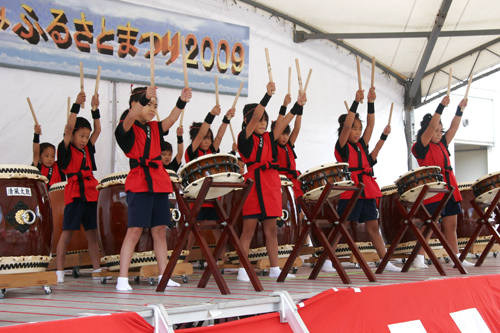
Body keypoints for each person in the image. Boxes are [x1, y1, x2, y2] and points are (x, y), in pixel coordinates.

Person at [114, 85, 192, 291]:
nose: (152, 108)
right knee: (134, 230)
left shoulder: (154, 128)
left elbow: (172, 119)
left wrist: (182, 100)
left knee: (159, 231)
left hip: (158, 181)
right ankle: (122, 278)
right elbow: (130, 117)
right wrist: (142, 98)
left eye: (154, 105)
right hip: (139, 181)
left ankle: (163, 275)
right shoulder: (126, 128)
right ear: (134, 104)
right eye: (148, 104)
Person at [236, 82, 306, 282]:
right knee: (248, 230)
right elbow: (256, 116)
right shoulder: (245, 137)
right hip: (253, 184)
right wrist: (267, 96)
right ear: (248, 121)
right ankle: (243, 269)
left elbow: (284, 123)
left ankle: (275, 267)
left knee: (272, 230)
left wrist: (298, 105)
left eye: (265, 121)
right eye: (259, 121)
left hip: (271, 184)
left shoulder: (269, 137)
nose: (263, 123)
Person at [334, 88, 401, 273]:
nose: (357, 132)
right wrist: (355, 102)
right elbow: (346, 127)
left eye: (359, 129)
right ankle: (327, 259)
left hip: (367, 189)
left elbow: (371, 125)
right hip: (351, 189)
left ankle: (385, 261)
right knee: (343, 226)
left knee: (373, 226)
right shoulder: (342, 146)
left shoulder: (361, 145)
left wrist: (371, 102)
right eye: (354, 129)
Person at [411, 96, 474, 268]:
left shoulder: (442, 144)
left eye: (440, 131)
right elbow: (431, 127)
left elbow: (453, 128)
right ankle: (419, 259)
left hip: (450, 187)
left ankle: (457, 258)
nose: (439, 134)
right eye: (436, 131)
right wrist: (441, 107)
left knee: (451, 225)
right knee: (429, 224)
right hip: (434, 188)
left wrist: (459, 110)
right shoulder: (421, 147)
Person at [55, 92, 102, 283]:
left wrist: (94, 109)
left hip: (90, 193)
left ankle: (97, 269)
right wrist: (76, 104)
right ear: (72, 135)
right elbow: (67, 127)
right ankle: (59, 270)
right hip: (75, 194)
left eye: (86, 136)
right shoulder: (65, 149)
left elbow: (98, 130)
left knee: (92, 233)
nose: (84, 139)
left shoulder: (88, 149)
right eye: (81, 135)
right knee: (67, 233)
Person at [183, 105, 236, 263]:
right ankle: (184, 261)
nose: (207, 141)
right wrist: (211, 115)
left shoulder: (212, 151)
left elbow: (219, 136)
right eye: (204, 138)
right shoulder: (192, 151)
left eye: (209, 138)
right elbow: (200, 134)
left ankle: (223, 259)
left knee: (219, 229)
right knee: (192, 232)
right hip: (197, 198)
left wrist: (226, 119)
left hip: (212, 198)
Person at [33, 124, 66, 189]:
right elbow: (36, 152)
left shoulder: (58, 166)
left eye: (53, 156)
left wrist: (67, 133)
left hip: (60, 197)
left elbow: (64, 149)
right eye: (46, 156)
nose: (50, 159)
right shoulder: (38, 168)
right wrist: (36, 135)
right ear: (39, 157)